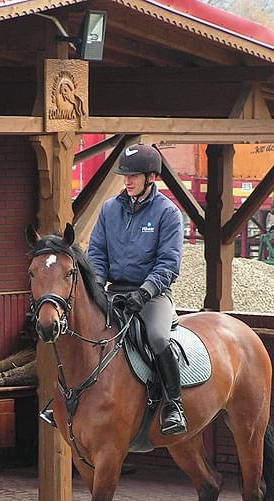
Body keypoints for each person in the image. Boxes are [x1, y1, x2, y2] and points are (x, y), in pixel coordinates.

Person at [87, 143, 187, 435]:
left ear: (150, 178)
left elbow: (168, 263)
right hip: (114, 291)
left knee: (156, 337)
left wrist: (143, 293)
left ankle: (173, 404)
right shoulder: (109, 209)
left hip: (152, 295)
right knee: (84, 330)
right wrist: (96, 288)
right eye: (125, 175)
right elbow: (97, 254)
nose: (127, 181)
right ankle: (69, 398)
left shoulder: (168, 213)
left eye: (134, 176)